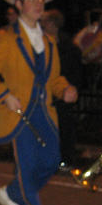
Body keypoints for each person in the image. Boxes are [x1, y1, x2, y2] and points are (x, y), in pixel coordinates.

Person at [0, 0, 78, 205]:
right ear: (18, 4)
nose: (37, 4)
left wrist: (64, 88)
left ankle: (12, 192)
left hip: (44, 112)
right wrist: (4, 95)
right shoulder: (7, 39)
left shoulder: (49, 41)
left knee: (52, 161)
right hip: (18, 113)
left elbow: (54, 78)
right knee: (28, 165)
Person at [41, 9, 82, 169]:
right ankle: (50, 157)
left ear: (53, 24)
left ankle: (65, 157)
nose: (42, 25)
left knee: (64, 126)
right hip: (47, 93)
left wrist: (68, 88)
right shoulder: (41, 44)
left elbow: (74, 71)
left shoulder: (68, 47)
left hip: (62, 92)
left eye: (45, 22)